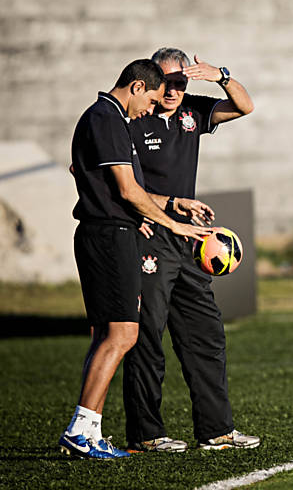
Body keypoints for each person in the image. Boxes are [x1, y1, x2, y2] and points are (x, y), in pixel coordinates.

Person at [61, 59, 212, 460]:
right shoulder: (107, 118)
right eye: (151, 98)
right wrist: (173, 225)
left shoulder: (109, 118)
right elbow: (128, 191)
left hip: (115, 231)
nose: (153, 107)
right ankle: (82, 428)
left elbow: (123, 191)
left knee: (111, 334)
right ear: (136, 87)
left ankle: (87, 430)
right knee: (123, 335)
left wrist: (149, 212)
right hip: (108, 237)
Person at [124, 48, 258, 452]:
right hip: (148, 234)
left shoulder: (193, 112)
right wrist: (167, 204)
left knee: (206, 334)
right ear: (151, 81)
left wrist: (221, 76)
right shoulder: (132, 118)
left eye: (182, 82)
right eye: (167, 82)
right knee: (148, 336)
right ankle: (147, 434)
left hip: (189, 239)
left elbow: (245, 106)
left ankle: (217, 430)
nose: (174, 90)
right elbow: (114, 180)